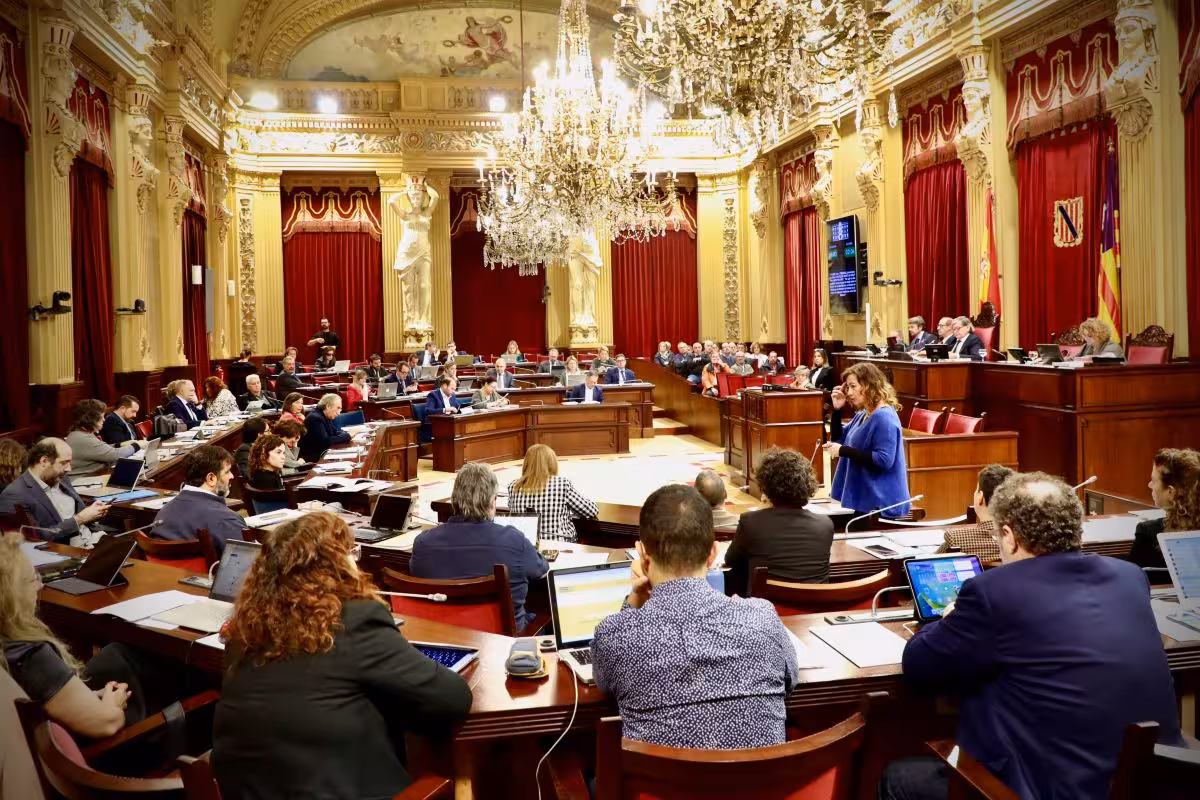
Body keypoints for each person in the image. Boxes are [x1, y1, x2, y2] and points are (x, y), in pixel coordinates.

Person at [880, 472, 1183, 800]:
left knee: (899, 777)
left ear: (1009, 536)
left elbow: (919, 666)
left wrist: (949, 618)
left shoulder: (993, 592)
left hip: (1046, 790)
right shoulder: (1129, 577)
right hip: (1147, 783)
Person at [214, 512, 472, 799]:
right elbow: (453, 699)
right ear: (337, 565)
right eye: (351, 552)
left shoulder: (243, 631)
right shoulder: (355, 619)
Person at [592, 484, 799, 749]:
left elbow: (605, 684)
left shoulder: (616, 635)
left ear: (643, 558)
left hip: (662, 777)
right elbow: (790, 680)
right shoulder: (762, 618)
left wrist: (634, 601)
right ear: (712, 554)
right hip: (761, 776)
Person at [0, 532, 188, 749]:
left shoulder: (10, 647)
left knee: (119, 653)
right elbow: (107, 724)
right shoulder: (30, 656)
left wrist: (89, 697)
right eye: (33, 579)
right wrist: (113, 703)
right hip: (98, 756)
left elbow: (51, 698)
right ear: (13, 595)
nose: (40, 586)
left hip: (48, 738)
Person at [412, 462, 550, 630]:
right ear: (492, 501)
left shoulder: (423, 544)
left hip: (443, 637)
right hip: (503, 641)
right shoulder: (514, 540)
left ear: (454, 499)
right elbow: (542, 569)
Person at [724, 447, 832, 597]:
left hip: (767, 608)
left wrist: (763, 509)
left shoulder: (751, 522)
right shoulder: (825, 524)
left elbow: (730, 560)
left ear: (765, 486)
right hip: (813, 606)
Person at [826, 362, 911, 518]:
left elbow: (883, 460)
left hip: (881, 503)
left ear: (869, 385)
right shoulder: (864, 414)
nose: (849, 393)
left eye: (853, 386)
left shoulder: (884, 417)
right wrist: (837, 410)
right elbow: (840, 438)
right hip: (866, 499)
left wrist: (843, 451)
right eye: (847, 387)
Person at [1, 439, 107, 544]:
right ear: (44, 461)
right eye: (64, 462)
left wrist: (94, 513)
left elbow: (79, 511)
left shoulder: (61, 478)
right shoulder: (13, 495)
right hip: (68, 549)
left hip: (95, 537)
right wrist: (79, 520)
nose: (69, 469)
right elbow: (35, 539)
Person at [153, 445, 246, 554]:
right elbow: (247, 560)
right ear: (211, 478)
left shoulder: (162, 514)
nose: (232, 476)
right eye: (227, 471)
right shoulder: (226, 520)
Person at [507, 444, 597, 543]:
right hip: (558, 545)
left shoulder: (513, 486)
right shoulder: (562, 484)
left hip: (525, 545)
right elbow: (591, 511)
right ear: (551, 463)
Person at [1128, 448, 1200, 570]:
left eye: (1154, 480)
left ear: (1171, 492)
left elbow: (1132, 577)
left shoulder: (1148, 533)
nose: (1150, 485)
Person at [937, 464, 1014, 563]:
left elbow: (930, 562)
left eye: (976, 490)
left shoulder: (956, 539)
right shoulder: (1021, 541)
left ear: (980, 497)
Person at [64, 402, 143, 475]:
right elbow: (115, 455)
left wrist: (119, 445)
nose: (104, 419)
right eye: (102, 417)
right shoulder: (84, 439)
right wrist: (136, 445)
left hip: (92, 477)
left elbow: (100, 449)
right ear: (91, 419)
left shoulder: (80, 433)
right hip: (83, 481)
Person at [299, 394, 351, 461]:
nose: (338, 413)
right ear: (328, 406)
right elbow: (325, 442)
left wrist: (345, 434)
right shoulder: (315, 418)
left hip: (323, 453)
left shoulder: (325, 415)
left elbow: (335, 431)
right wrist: (347, 435)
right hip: (313, 458)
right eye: (338, 408)